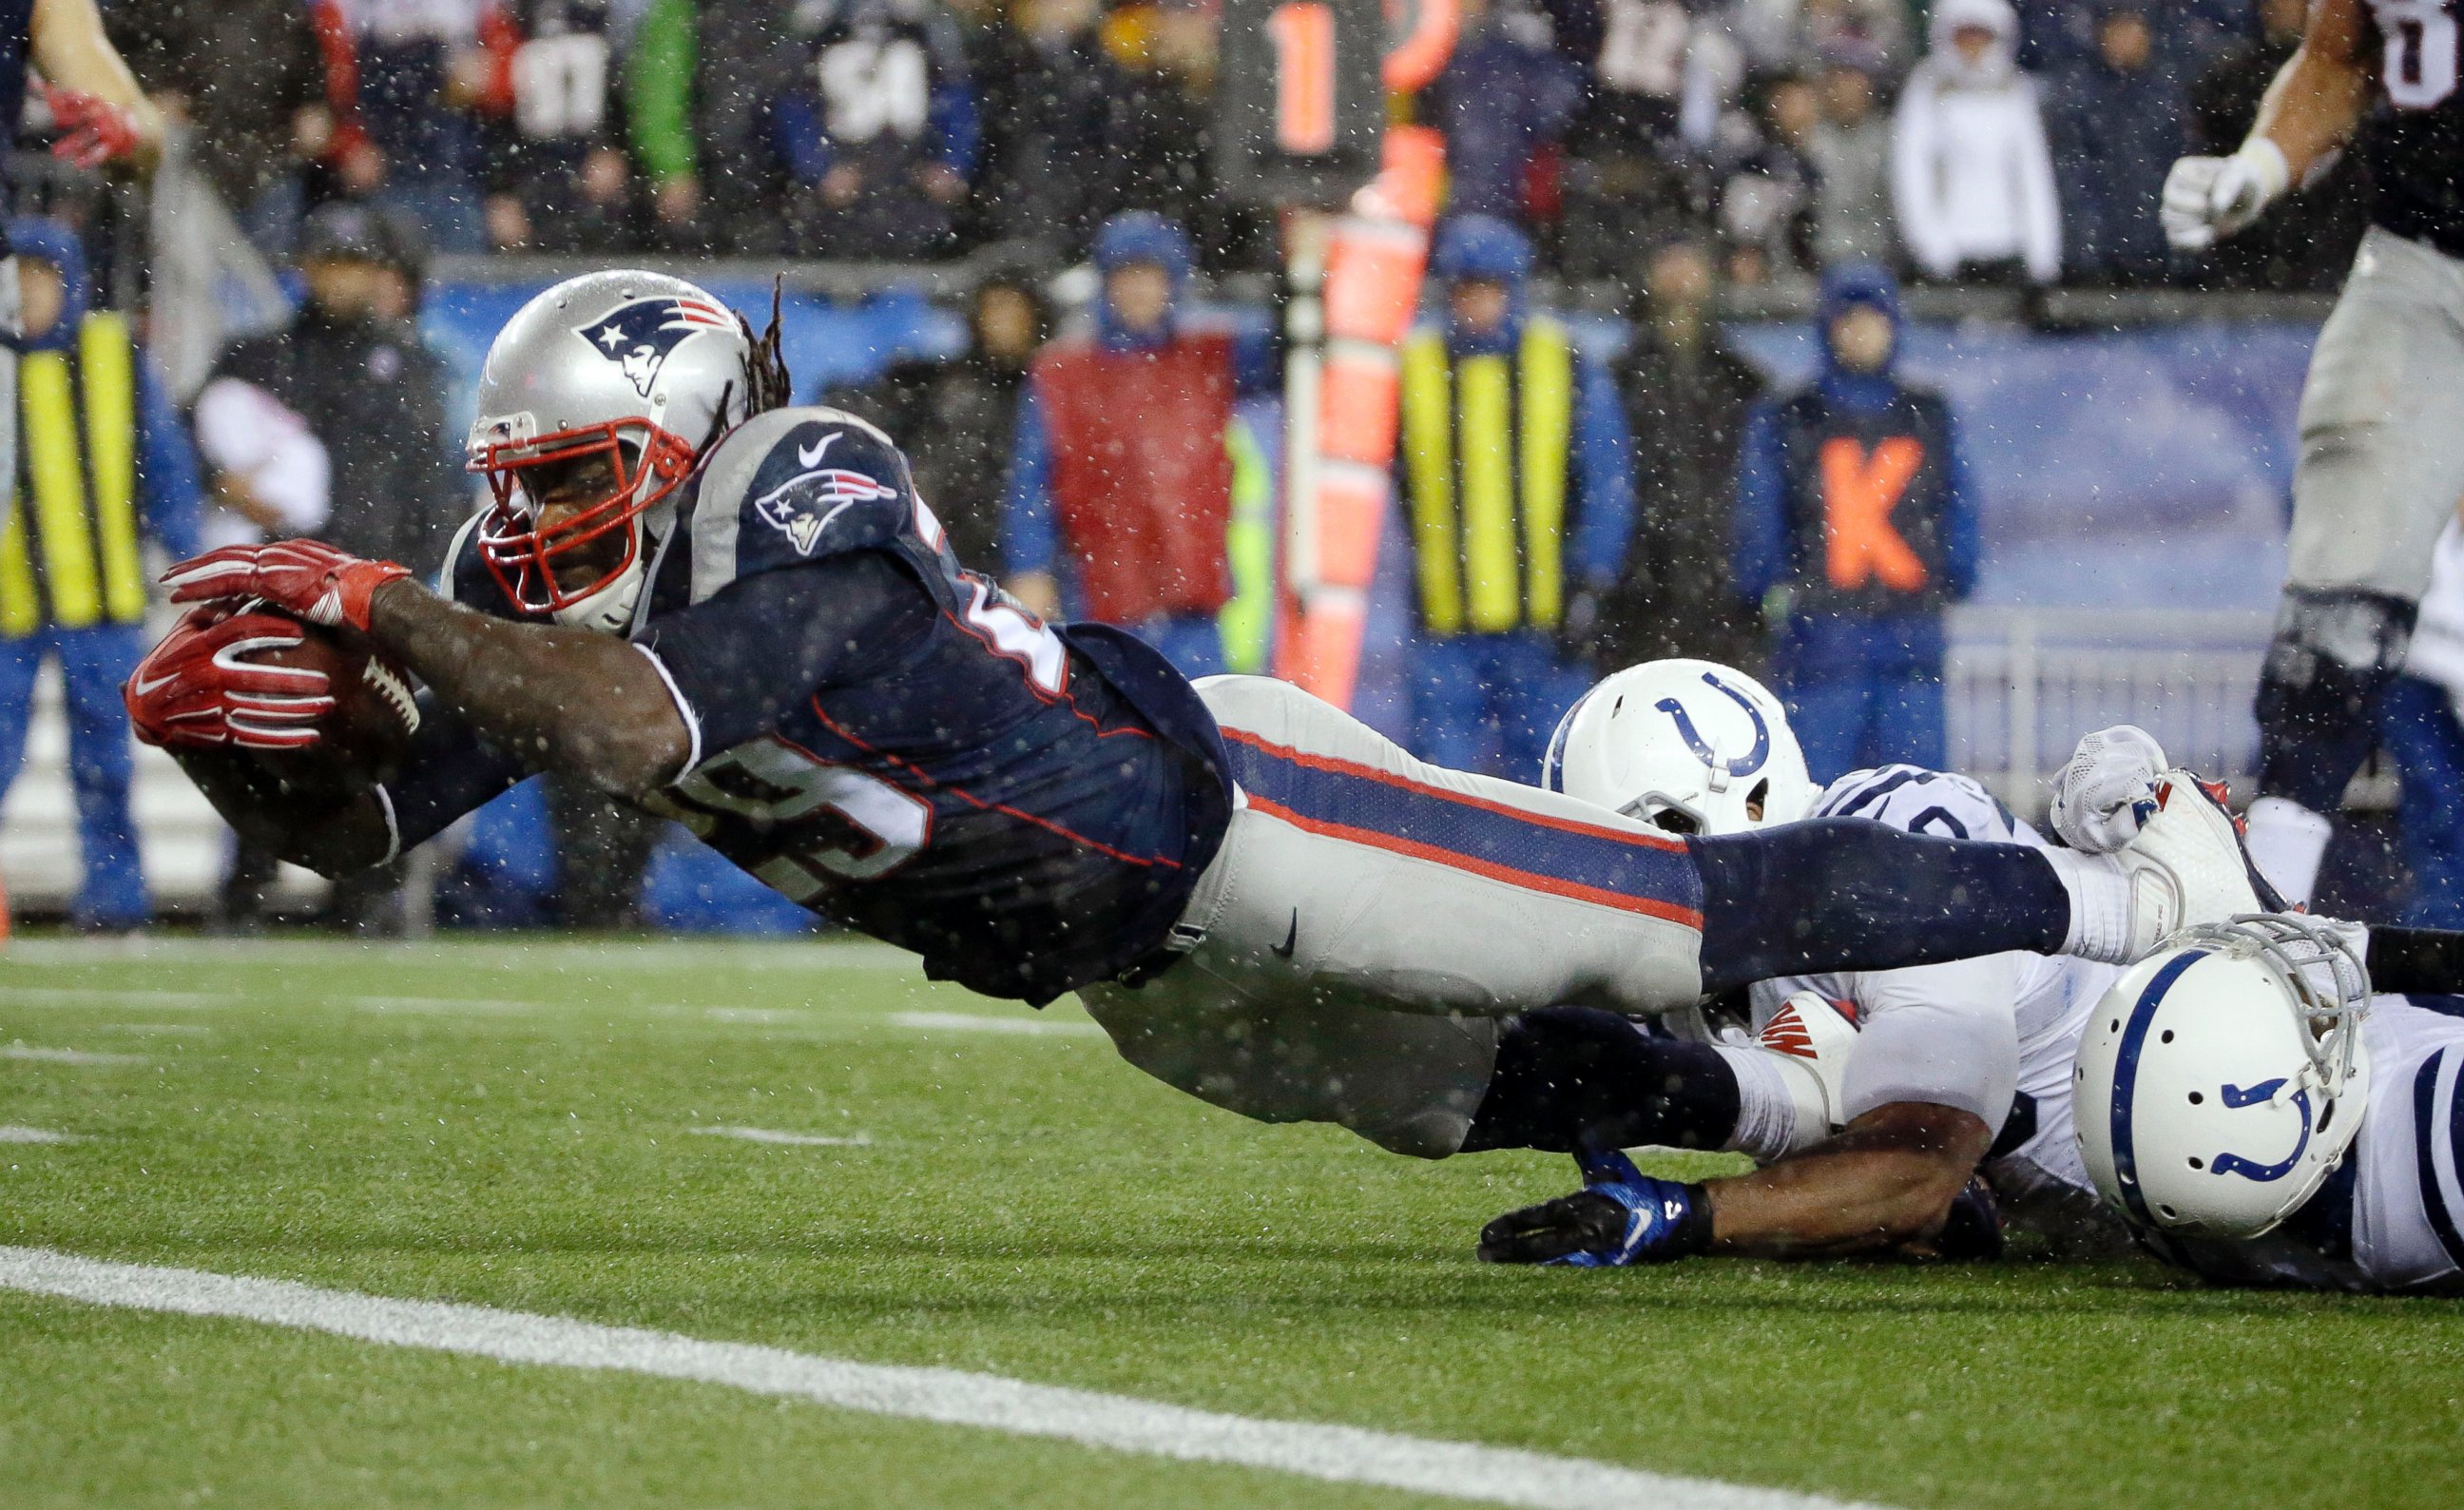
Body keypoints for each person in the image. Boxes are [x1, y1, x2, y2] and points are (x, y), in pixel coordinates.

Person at [129, 272, 2316, 1162]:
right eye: (518, 499)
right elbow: (360, 833)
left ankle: (2125, 889)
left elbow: (625, 721)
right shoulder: (566, 598)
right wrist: (251, 748)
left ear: (689, 439)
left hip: (1230, 805)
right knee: (1475, 1096)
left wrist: (359, 593)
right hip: (1113, 955)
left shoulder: (800, 472)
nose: (534, 532)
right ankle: (1821, 1134)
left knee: (1659, 910)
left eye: (572, 483)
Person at [1482, 691, 2464, 1295]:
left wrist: (1684, 1217)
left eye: (1640, 854)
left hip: (2355, 1124)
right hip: (2245, 1240)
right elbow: (1818, 1121)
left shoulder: (1892, 847)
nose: (1635, 895)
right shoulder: (1774, 968)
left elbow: (1910, 1173)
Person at [2162, 0, 2464, 913]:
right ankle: (2267, 907)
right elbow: (2340, 57)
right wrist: (2261, 163)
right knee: (2342, 568)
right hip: (2424, 254)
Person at [199, 202, 460, 930]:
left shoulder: (411, 367)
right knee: (261, 741)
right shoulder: (258, 358)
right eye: (330, 262)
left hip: (374, 590)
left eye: (356, 264)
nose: (342, 279)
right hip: (281, 589)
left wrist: (412, 585)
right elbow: (198, 445)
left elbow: (432, 485)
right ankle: (245, 896)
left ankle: (364, 902)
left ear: (378, 274)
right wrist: (221, 483)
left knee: (371, 749)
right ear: (303, 269)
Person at [0, 217, 201, 931]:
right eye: (15, 278)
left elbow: (167, 470)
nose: (26, 294)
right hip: (9, 605)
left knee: (105, 763)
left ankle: (115, 906)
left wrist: (190, 560)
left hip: (103, 600)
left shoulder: (114, 356)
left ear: (71, 284)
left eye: (39, 278)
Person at [1396, 214, 1634, 777]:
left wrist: (1592, 582)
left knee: (1550, 782)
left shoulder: (1563, 365)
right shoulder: (1414, 369)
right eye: (1466, 289)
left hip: (1542, 625)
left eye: (1491, 289)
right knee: (1439, 784)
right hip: (1445, 624)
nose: (1477, 304)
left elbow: (1606, 484)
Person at [1732, 263, 1975, 782]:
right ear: (1828, 327)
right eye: (1849, 320)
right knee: (1820, 803)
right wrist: (1766, 587)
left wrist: (1955, 573)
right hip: (1824, 648)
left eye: (1873, 319)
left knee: (1916, 806)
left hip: (1908, 645)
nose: (1862, 333)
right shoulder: (1791, 416)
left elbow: (1958, 506)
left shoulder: (1925, 414)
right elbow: (1760, 516)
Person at [1002, 212, 1268, 678]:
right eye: (1127, 275)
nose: (1140, 290)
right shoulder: (1063, 375)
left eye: (1152, 276)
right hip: (1102, 592)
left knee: (1207, 726)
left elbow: (1291, 339)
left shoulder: (1208, 357)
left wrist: (1302, 258)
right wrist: (1030, 566)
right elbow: (1033, 481)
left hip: (1193, 598)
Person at [1602, 234, 1765, 673]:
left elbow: (1762, 495)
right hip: (1634, 603)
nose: (1680, 283)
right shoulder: (1613, 383)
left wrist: (1756, 580)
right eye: (1667, 268)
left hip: (1726, 602)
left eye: (1689, 268)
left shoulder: (1744, 383)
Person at [825, 266, 1048, 572]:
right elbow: (873, 416)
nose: (1003, 322)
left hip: (1024, 563)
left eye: (1014, 309)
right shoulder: (942, 383)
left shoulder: (1052, 390)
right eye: (994, 307)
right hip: (943, 554)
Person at [2182, 0, 2368, 293]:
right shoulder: (2228, 81)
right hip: (2248, 270)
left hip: (2331, 261)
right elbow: (2213, 173)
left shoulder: (2353, 72)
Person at [1891, 0, 2061, 286]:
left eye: (1981, 36)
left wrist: (2042, 256)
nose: (1973, 47)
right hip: (1949, 253)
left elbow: (2033, 175)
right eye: (1964, 36)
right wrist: (1929, 245)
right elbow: (1911, 171)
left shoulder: (2014, 89)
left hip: (2008, 249)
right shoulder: (1928, 87)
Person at [473, 0, 645, 254]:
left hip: (594, 173)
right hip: (531, 171)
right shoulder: (513, 15)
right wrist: (501, 190)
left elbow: (634, 82)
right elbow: (496, 108)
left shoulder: (611, 13)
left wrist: (615, 148)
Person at [2044, 1, 2185, 286]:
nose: (2121, 39)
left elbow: (2182, 170)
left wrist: (2181, 250)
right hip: (2097, 260)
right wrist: (2083, 248)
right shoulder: (2076, 93)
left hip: (2158, 254)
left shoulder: (2170, 94)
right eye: (2114, 28)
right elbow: (2070, 179)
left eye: (2132, 27)